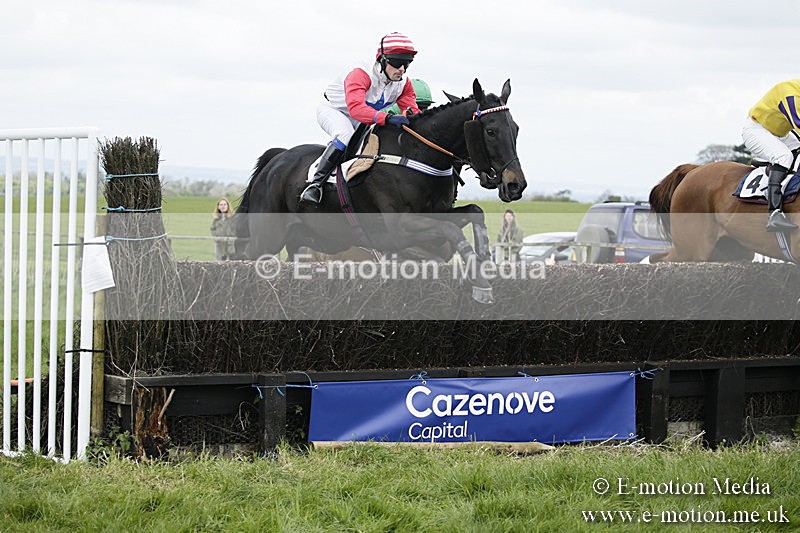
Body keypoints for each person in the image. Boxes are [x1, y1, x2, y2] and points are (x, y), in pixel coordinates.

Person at [300, 32, 421, 205]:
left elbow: (413, 112)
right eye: (396, 62)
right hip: (334, 110)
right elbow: (356, 109)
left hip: (363, 118)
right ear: (382, 60)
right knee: (345, 135)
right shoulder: (361, 73)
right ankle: (315, 184)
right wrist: (388, 118)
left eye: (407, 63)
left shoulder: (403, 84)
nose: (402, 68)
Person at [742, 79, 800, 232]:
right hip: (756, 130)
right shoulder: (791, 95)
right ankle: (774, 213)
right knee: (784, 157)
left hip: (780, 133)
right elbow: (798, 123)